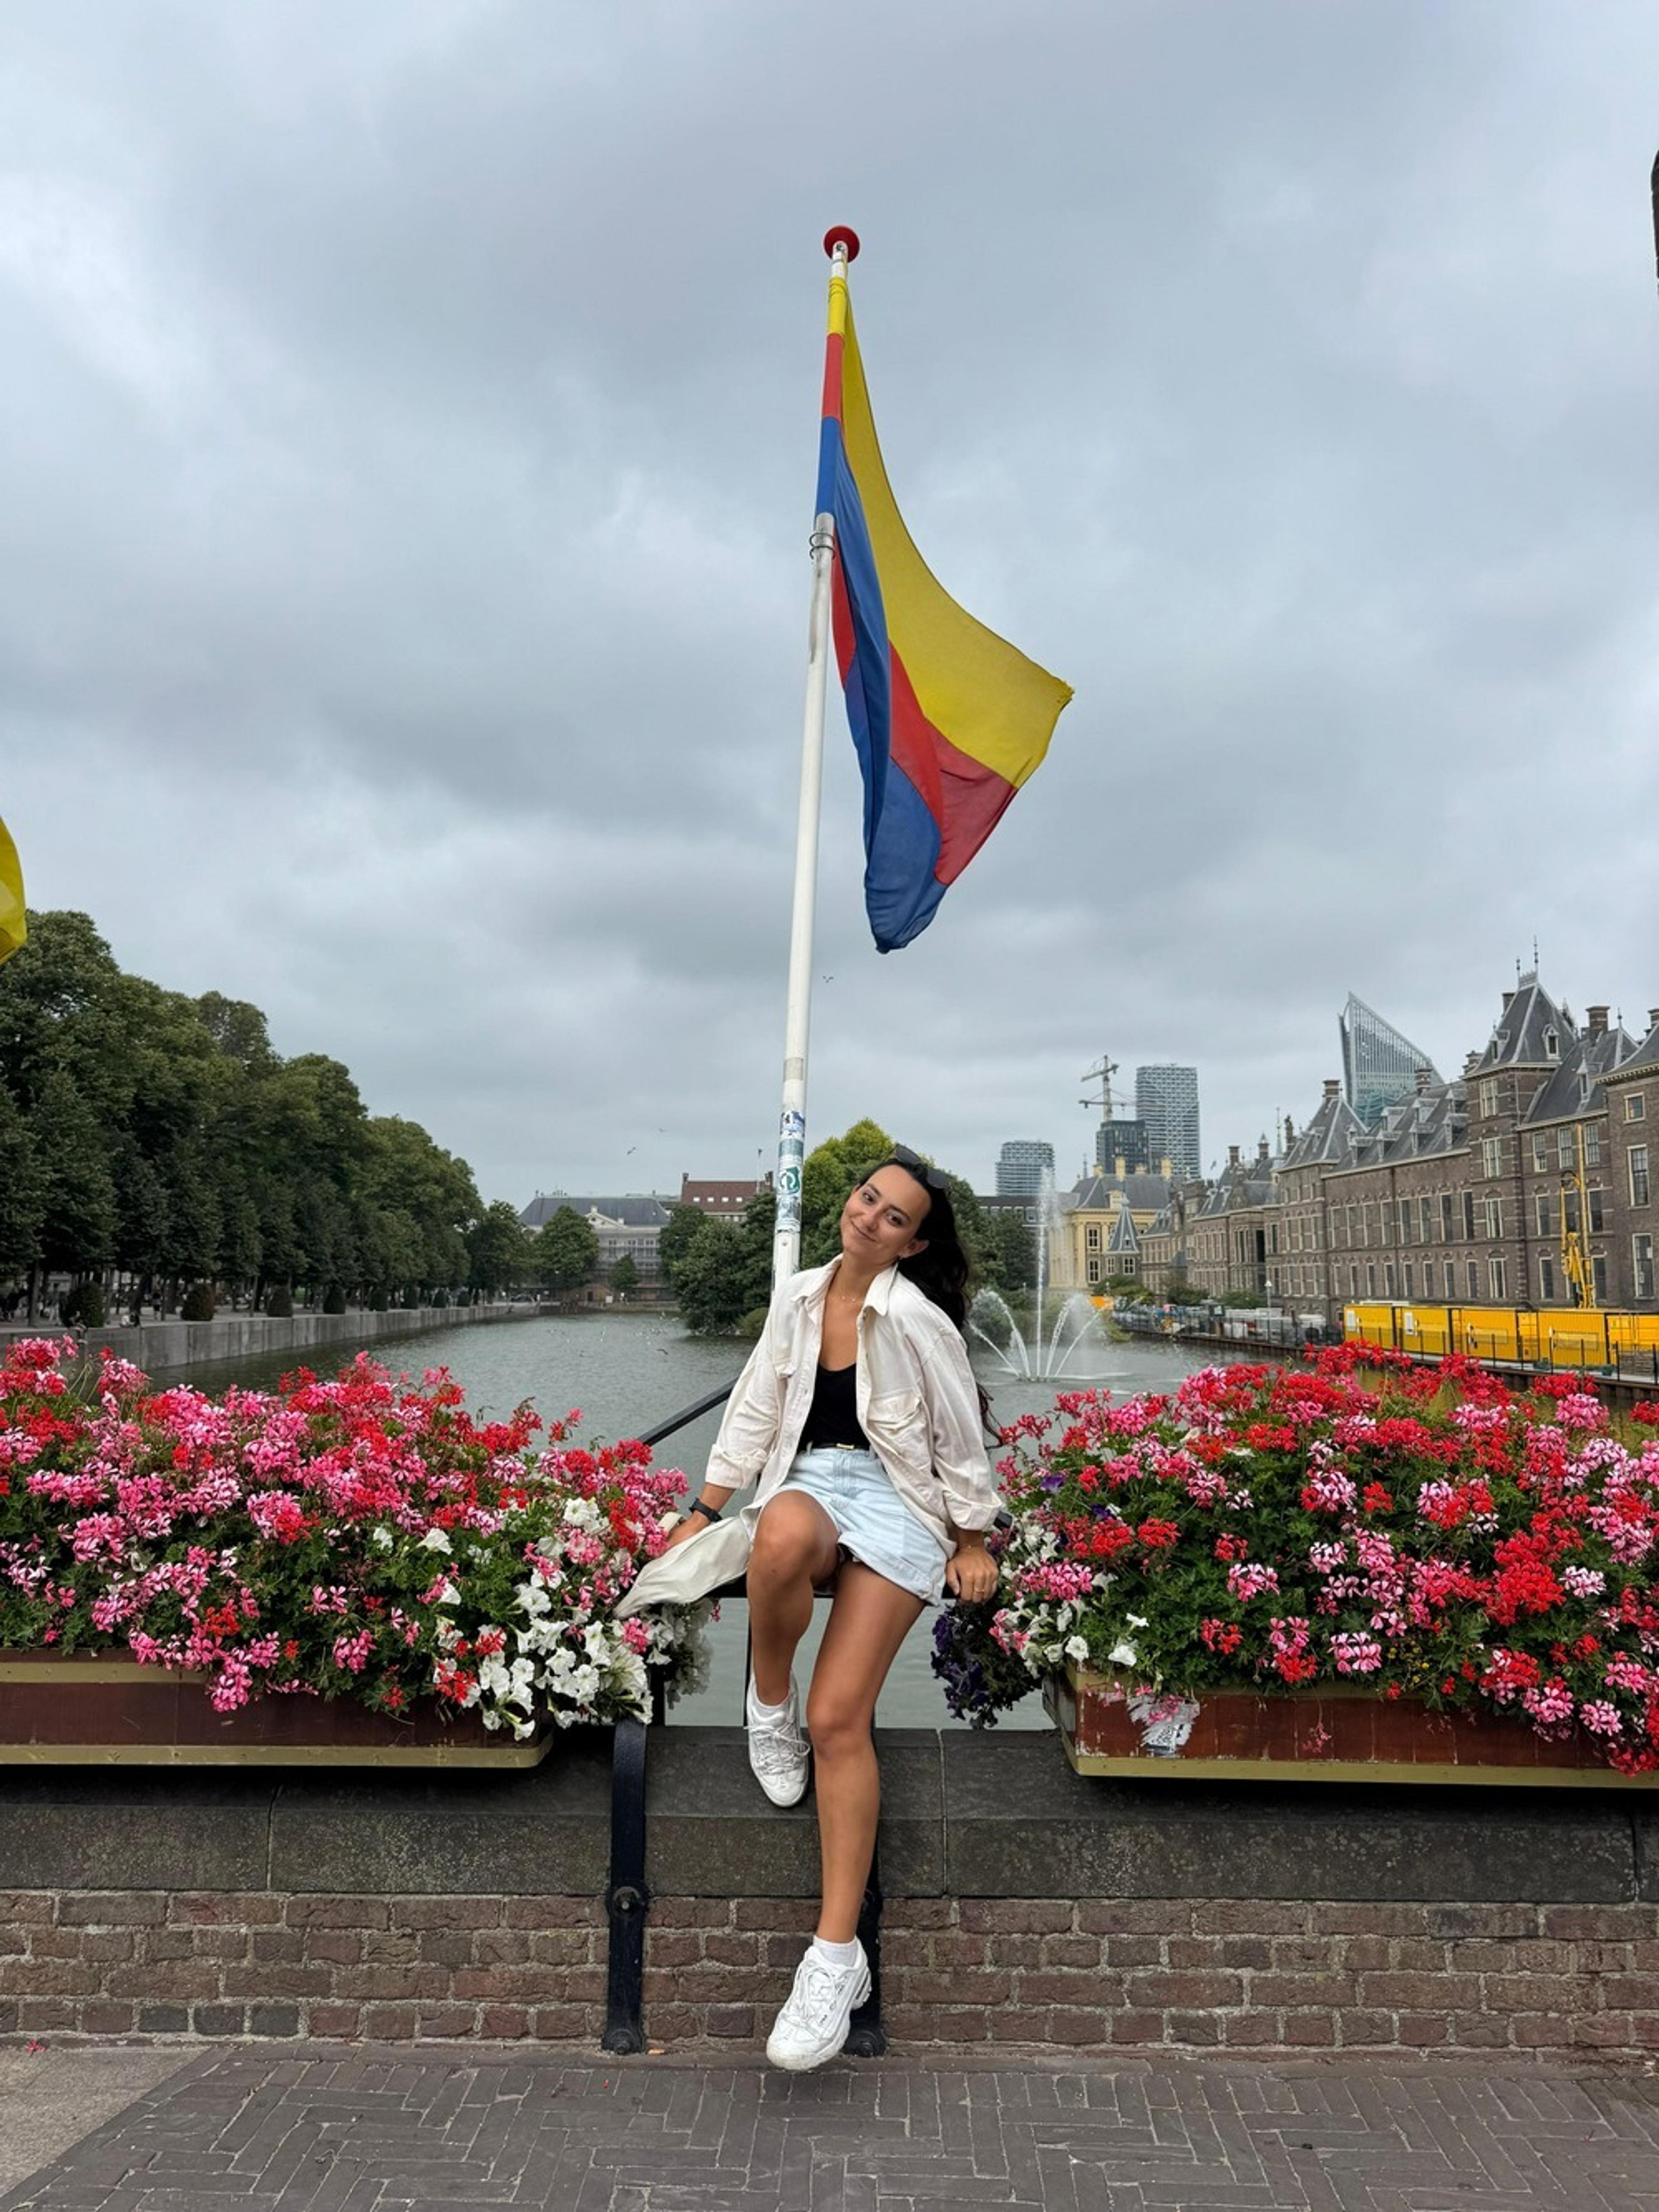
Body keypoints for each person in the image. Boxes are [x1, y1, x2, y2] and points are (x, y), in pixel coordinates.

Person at [659, 1146, 999, 2070]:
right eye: (866, 1197)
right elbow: (758, 1411)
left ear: (913, 1241)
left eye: (893, 1216)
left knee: (840, 1719)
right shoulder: (801, 1295)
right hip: (810, 1481)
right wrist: (701, 1511)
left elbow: (960, 1435)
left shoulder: (920, 1320)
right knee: (776, 1540)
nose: (869, 1216)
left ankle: (834, 1957)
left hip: (897, 1498)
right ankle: (766, 1701)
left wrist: (971, 1537)